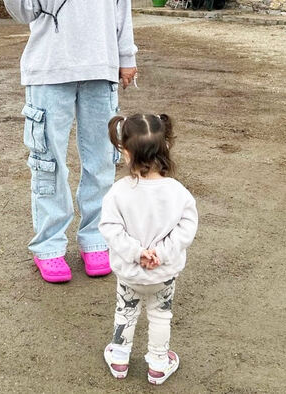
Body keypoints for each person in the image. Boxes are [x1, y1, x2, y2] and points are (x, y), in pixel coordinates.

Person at [0, 0, 138, 283]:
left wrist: (126, 55)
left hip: (100, 69)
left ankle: (94, 240)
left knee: (101, 163)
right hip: (49, 70)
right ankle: (49, 245)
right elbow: (25, 13)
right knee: (49, 163)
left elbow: (121, 3)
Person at [99, 113, 198, 385]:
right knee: (160, 313)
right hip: (162, 274)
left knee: (126, 311)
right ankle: (157, 363)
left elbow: (110, 227)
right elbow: (187, 228)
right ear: (165, 146)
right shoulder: (178, 192)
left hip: (129, 272)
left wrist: (136, 252)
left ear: (126, 152)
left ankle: (119, 358)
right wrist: (161, 253)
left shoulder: (118, 192)